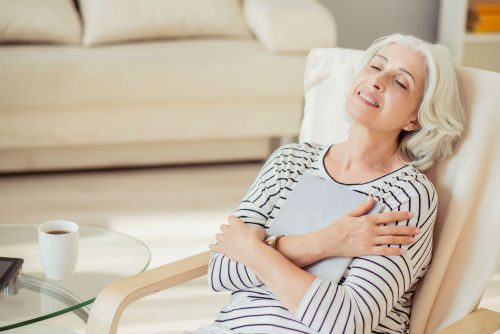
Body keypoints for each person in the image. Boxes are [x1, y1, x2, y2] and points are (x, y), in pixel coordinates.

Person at [191, 34, 465, 334]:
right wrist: (326, 242)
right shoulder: (290, 161)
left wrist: (253, 250)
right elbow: (220, 270)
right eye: (375, 67)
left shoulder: (407, 195)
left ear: (415, 118)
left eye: (401, 82)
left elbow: (347, 322)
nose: (378, 81)